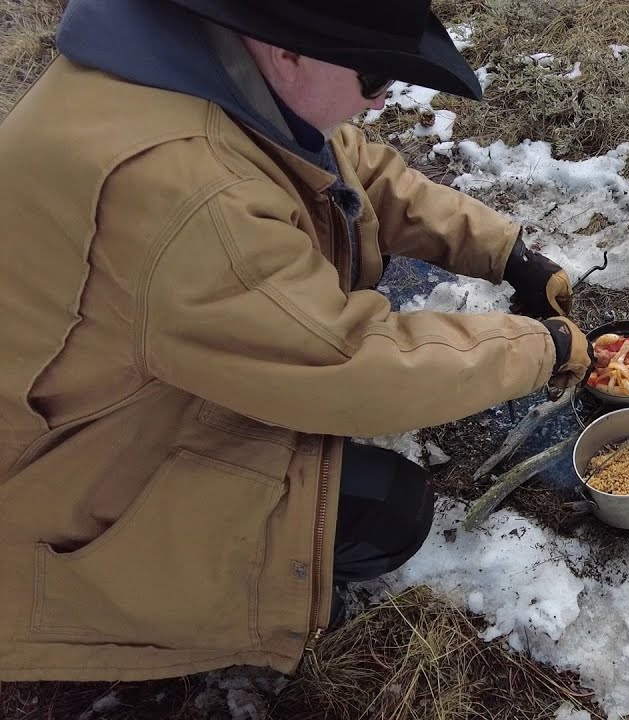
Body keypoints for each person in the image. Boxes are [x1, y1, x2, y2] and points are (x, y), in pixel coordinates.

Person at [0, 0, 592, 682]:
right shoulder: (186, 193)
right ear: (289, 51)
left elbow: (346, 167)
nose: (381, 101)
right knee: (387, 509)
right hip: (59, 495)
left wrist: (505, 252)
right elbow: (350, 364)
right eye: (374, 77)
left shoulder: (207, 60)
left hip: (120, 393)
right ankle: (232, 607)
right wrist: (540, 348)